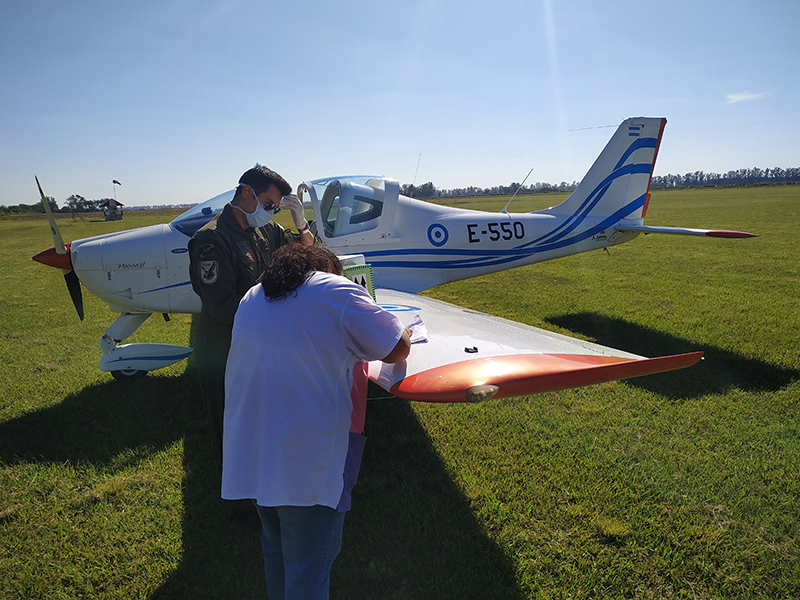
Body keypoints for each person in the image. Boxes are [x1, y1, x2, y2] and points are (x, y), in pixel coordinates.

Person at [222, 244, 411, 600]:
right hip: (306, 461)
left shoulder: (253, 295)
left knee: (277, 549)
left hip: (254, 453)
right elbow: (397, 346)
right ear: (327, 267)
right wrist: (402, 329)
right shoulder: (333, 288)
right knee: (308, 568)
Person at [188, 164, 314, 507]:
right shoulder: (212, 239)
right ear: (247, 192)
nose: (272, 212)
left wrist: (300, 222)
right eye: (269, 204)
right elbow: (222, 306)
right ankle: (239, 504)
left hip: (257, 343)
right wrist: (276, 315)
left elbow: (308, 253)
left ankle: (259, 491)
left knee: (258, 421)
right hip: (224, 348)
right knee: (231, 425)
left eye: (275, 207)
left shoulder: (265, 231)